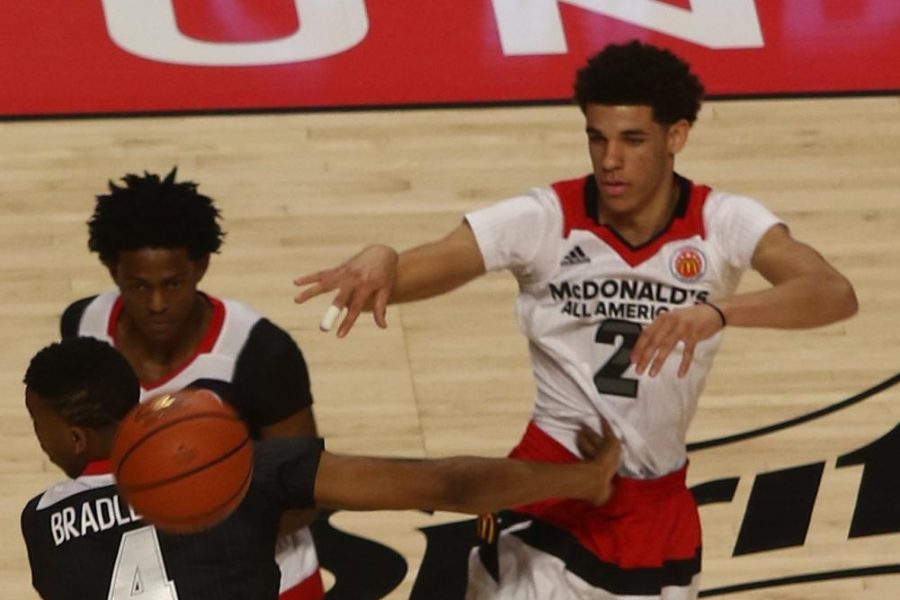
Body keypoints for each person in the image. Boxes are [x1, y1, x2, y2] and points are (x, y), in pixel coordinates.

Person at [293, 40, 859, 599]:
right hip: (548, 489)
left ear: (676, 136)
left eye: (632, 140)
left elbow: (832, 292)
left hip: (656, 504)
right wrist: (386, 262)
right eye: (597, 137)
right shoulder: (544, 218)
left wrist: (719, 311)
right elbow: (435, 261)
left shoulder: (723, 222)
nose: (610, 159)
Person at [20, 337, 620, 600]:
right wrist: (585, 479)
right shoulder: (245, 469)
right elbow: (450, 484)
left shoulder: (40, 524)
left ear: (72, 436)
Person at [60, 168, 324, 599]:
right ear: (112, 270)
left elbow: (301, 500)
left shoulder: (261, 353)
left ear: (200, 266)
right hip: (149, 574)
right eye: (139, 286)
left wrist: (191, 503)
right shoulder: (83, 328)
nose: (157, 304)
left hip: (265, 575)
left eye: (173, 283)